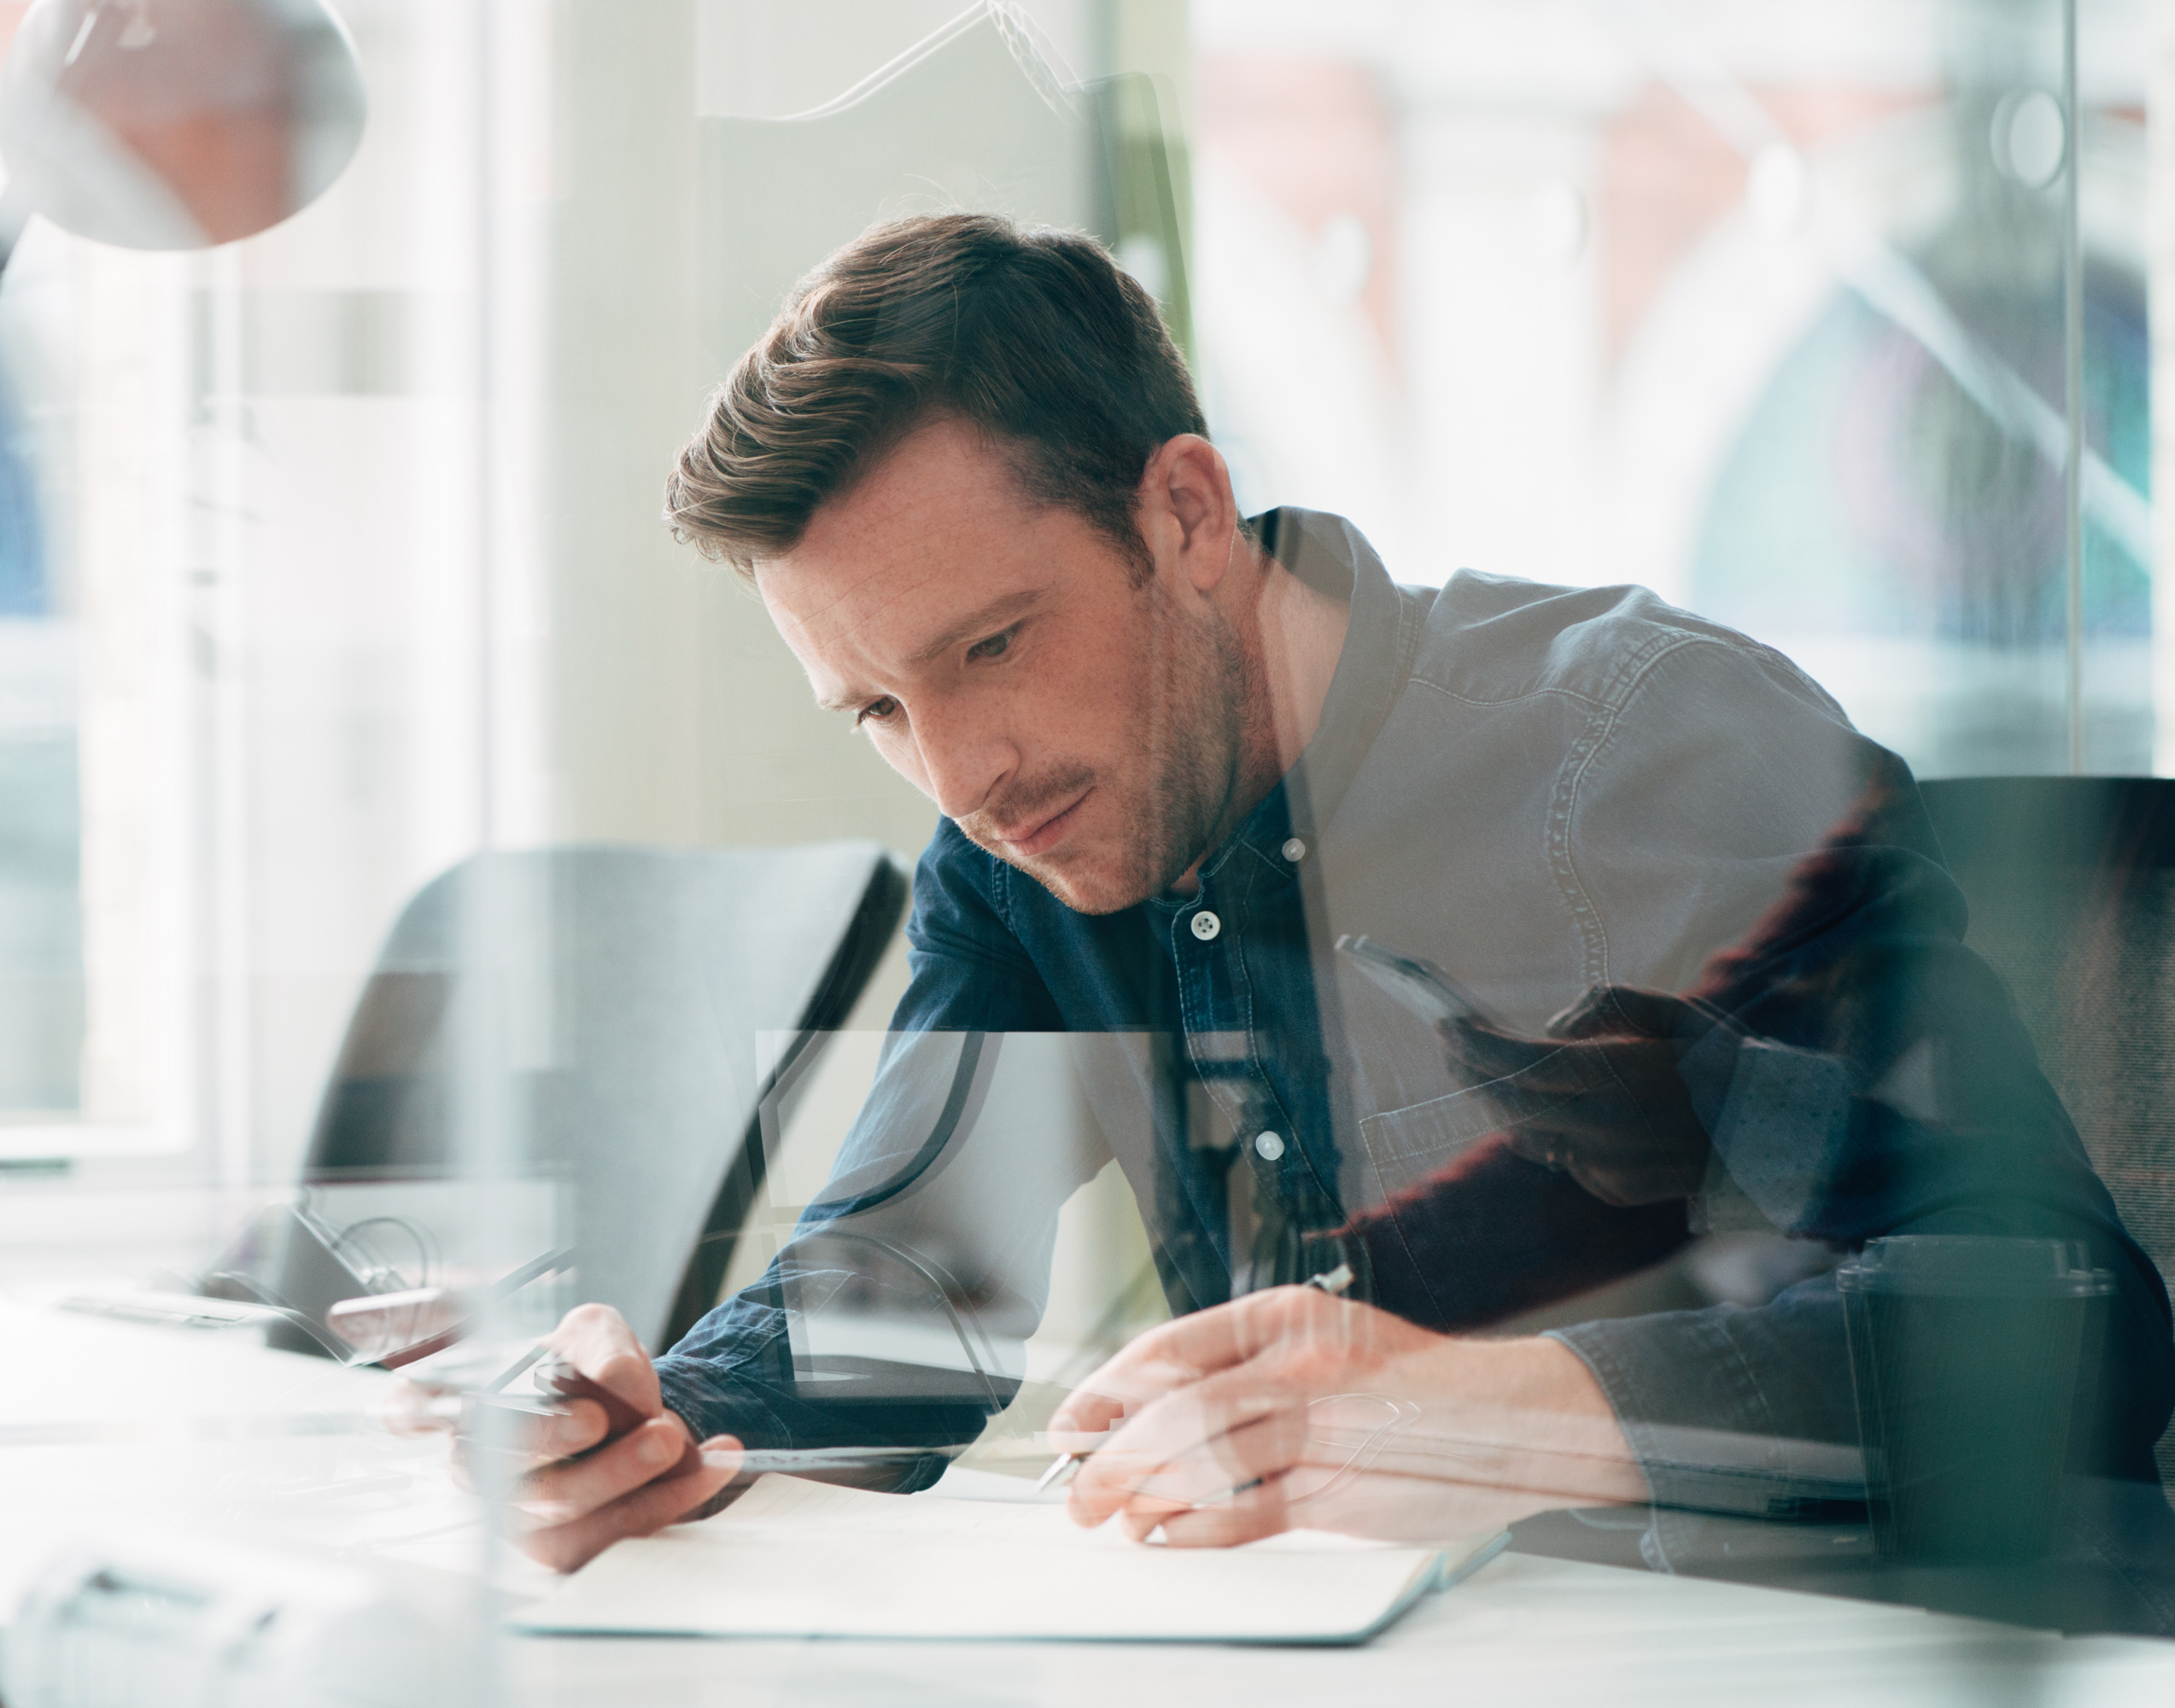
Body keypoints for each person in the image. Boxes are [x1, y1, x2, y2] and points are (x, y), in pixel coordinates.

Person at [494, 213, 2173, 1575]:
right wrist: (643, 1423)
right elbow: (908, 1307)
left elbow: (2063, 1315)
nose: (959, 771)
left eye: (990, 644)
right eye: (875, 710)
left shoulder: (1641, 744)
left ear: (1185, 511)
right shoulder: (1019, 850)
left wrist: (1490, 1409)